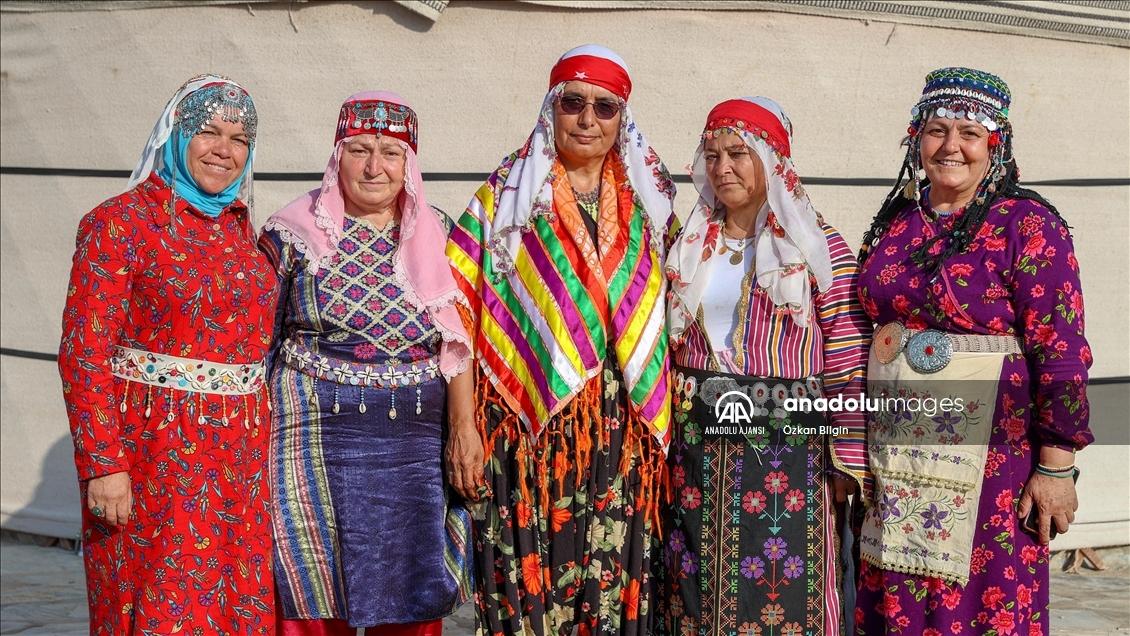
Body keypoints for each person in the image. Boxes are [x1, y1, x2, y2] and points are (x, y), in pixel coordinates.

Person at [445, 45, 676, 636]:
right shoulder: (506, 197)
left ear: (623, 121)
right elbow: (454, 315)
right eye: (573, 102)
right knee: (523, 598)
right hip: (524, 433)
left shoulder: (651, 205)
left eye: (605, 108)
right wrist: (463, 426)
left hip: (619, 437)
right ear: (551, 108)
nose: (587, 119)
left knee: (605, 596)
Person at [854, 67, 1092, 635]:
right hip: (895, 455)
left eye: (969, 131)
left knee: (980, 603)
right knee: (898, 592)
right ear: (917, 138)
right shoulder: (896, 224)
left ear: (996, 143)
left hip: (993, 463)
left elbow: (1060, 351)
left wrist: (1057, 468)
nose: (951, 146)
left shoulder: (1028, 226)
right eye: (938, 130)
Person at [58, 74, 275, 634]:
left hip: (238, 467)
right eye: (207, 132)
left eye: (239, 139)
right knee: (159, 604)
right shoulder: (120, 224)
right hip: (153, 457)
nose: (223, 151)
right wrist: (103, 465)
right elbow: (85, 351)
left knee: (233, 609)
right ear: (174, 135)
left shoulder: (241, 231)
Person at [259, 91, 474, 636]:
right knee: (310, 583)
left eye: (390, 152)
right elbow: (257, 339)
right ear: (338, 156)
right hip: (308, 437)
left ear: (410, 164)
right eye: (359, 149)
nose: (374, 166)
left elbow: (458, 339)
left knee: (409, 585)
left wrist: (465, 426)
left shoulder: (441, 232)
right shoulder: (290, 232)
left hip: (413, 446)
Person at [662, 97, 871, 635]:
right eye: (712, 155)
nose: (722, 167)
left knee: (784, 589)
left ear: (770, 160)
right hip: (698, 456)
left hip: (789, 459)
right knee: (697, 590)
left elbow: (848, 357)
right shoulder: (689, 246)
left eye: (738, 153)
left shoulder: (816, 246)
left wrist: (846, 460)